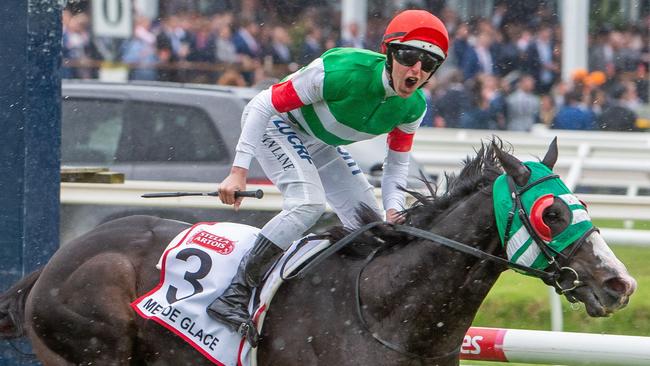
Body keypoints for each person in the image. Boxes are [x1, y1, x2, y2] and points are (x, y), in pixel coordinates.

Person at [207, 9, 449, 346]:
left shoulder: (413, 108)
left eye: (428, 64)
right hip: (277, 125)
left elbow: (396, 166)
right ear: (389, 53)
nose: (417, 70)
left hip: (319, 141)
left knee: (372, 226)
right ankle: (234, 293)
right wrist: (238, 172)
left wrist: (394, 208)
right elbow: (263, 104)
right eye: (409, 57)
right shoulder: (343, 71)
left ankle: (340, 300)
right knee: (307, 204)